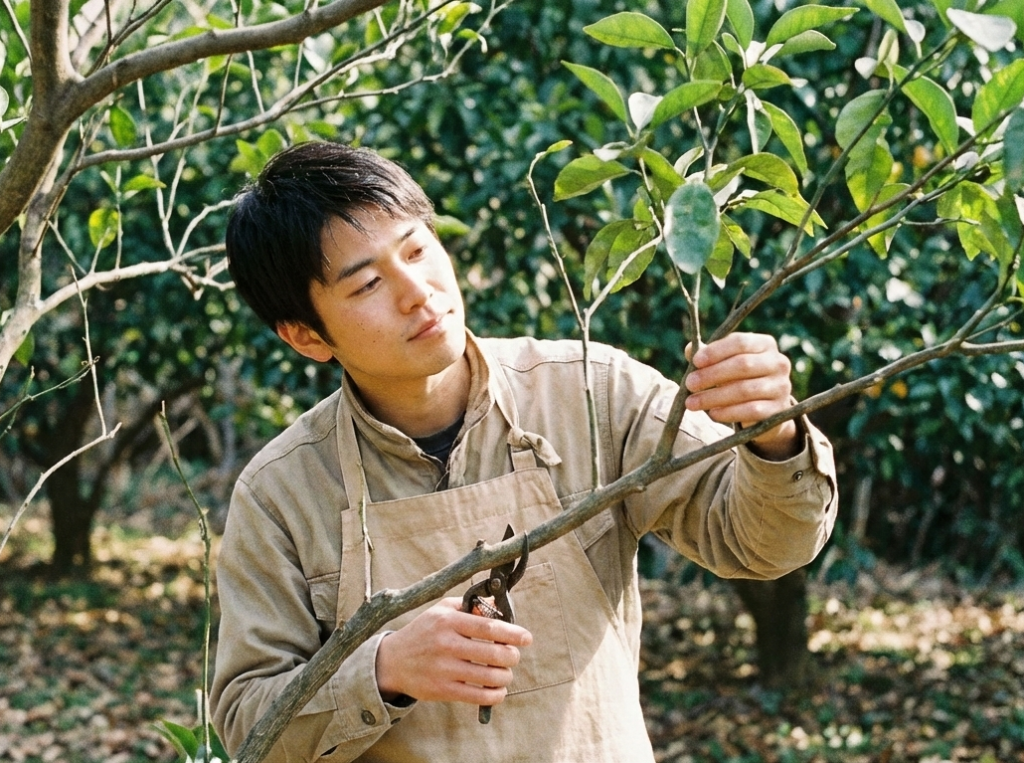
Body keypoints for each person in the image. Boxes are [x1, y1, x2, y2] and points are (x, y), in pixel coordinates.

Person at [210, 141, 837, 763]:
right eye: (369, 282)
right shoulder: (282, 493)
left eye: (417, 250)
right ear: (306, 336)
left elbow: (766, 545)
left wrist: (773, 437)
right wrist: (383, 669)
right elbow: (248, 728)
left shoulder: (592, 392)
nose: (417, 292)